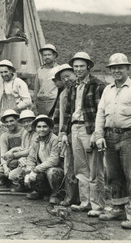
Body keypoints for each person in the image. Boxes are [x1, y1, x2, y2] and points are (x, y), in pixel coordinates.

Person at [95, 53, 131, 229]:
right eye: (113, 68)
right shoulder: (107, 90)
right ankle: (118, 208)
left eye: (120, 67)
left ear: (127, 68)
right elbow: (100, 113)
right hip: (110, 136)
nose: (116, 70)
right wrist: (98, 135)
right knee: (113, 175)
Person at [63, 52, 106, 217]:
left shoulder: (98, 85)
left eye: (82, 66)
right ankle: (85, 202)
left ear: (89, 66)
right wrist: (64, 132)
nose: (78, 69)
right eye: (76, 66)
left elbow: (101, 112)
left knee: (95, 169)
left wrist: (98, 132)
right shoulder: (73, 86)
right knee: (80, 169)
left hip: (90, 129)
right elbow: (68, 111)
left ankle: (97, 206)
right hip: (75, 129)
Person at [23, 114, 64, 205]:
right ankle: (40, 192)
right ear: (35, 128)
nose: (42, 129)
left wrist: (36, 170)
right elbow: (31, 158)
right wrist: (28, 172)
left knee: (52, 172)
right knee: (26, 173)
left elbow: (54, 160)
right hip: (42, 169)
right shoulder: (36, 140)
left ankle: (56, 194)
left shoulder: (55, 139)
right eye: (39, 127)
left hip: (56, 169)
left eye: (45, 126)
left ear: (50, 128)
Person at [55, 64, 79, 207]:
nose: (66, 80)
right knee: (68, 166)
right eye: (63, 78)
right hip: (66, 134)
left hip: (78, 132)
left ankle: (81, 198)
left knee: (80, 167)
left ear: (75, 75)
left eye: (68, 76)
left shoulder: (79, 90)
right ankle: (70, 197)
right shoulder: (63, 93)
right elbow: (59, 117)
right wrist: (60, 135)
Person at [7, 110, 36, 192]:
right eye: (24, 122)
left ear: (34, 121)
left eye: (29, 121)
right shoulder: (25, 133)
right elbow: (23, 148)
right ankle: (24, 184)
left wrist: (15, 155)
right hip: (26, 160)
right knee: (12, 175)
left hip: (36, 161)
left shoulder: (37, 133)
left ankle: (34, 188)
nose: (26, 124)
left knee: (28, 174)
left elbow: (31, 151)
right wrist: (18, 155)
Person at [0, 109, 24, 188]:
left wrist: (15, 151)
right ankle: (9, 180)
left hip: (23, 160)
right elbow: (3, 154)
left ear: (17, 120)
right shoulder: (4, 136)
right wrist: (5, 168)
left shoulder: (24, 132)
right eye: (7, 122)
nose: (9, 124)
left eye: (11, 121)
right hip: (10, 162)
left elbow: (26, 149)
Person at [34, 44, 60, 115]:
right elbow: (36, 87)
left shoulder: (59, 69)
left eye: (49, 55)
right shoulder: (40, 70)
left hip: (54, 102)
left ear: (54, 55)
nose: (47, 57)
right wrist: (34, 102)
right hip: (41, 102)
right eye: (44, 55)